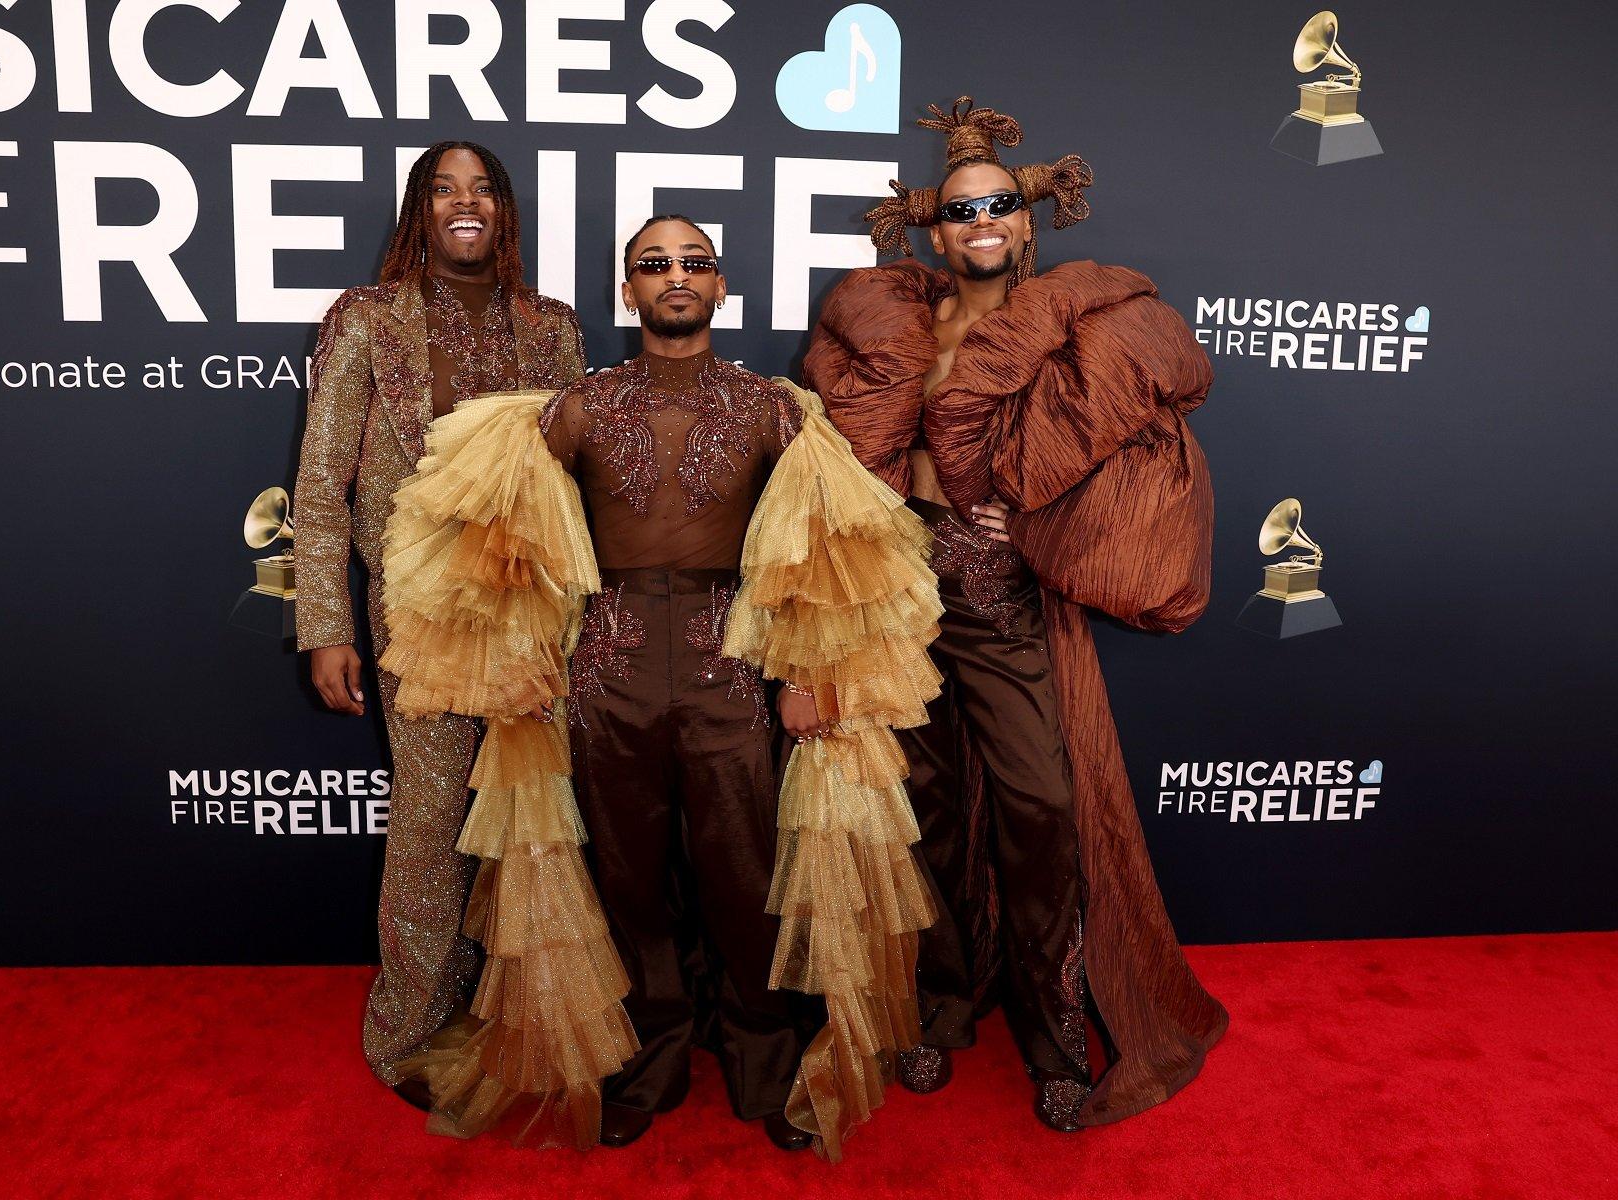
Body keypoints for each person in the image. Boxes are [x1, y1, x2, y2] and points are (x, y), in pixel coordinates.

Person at [376, 216, 940, 1159]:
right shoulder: (576, 410)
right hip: (608, 671)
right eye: (653, 265)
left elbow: (830, 552)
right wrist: (520, 655)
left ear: (722, 288)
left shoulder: (774, 409)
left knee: (745, 872)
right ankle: (651, 1060)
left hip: (735, 668)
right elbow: (499, 537)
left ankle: (763, 1056)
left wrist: (805, 670)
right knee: (627, 879)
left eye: (695, 263)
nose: (675, 277)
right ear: (627, 292)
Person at [803, 97, 1228, 1131]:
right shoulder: (897, 320)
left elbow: (1133, 442)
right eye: (958, 210)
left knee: (1042, 818)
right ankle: (939, 1008)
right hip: (902, 600)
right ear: (933, 230)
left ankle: (1053, 1034)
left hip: (1003, 606)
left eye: (997, 203)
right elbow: (849, 450)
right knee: (925, 815)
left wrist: (1038, 523)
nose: (979, 221)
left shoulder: (1080, 321)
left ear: (1028, 221)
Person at [291, 141, 586, 1108]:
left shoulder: (549, 327)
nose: (466, 206)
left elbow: (574, 476)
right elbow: (323, 481)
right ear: (420, 212)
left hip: (530, 606)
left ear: (504, 212)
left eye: (482, 191)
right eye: (444, 191)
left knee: (528, 819)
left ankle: (519, 1017)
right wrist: (325, 623)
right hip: (415, 611)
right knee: (426, 829)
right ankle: (413, 1029)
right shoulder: (369, 319)